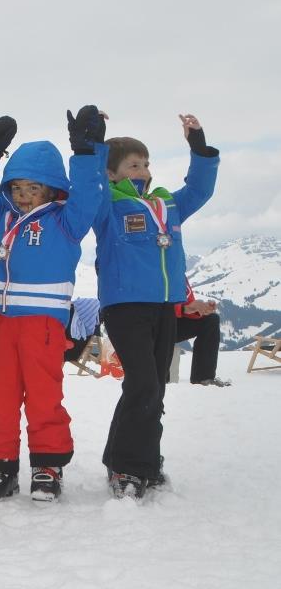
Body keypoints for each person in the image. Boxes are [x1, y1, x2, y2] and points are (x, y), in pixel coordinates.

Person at [0, 108, 108, 505]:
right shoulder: (1, 214)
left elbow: (91, 193)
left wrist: (84, 153)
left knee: (45, 396)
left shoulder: (67, 221)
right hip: (4, 324)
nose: (23, 196)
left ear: (51, 191)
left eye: (33, 189)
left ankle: (48, 466)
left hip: (45, 327)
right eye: (17, 188)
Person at [94, 114, 219, 499]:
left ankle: (136, 457)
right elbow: (88, 185)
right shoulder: (108, 206)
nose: (144, 171)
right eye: (134, 165)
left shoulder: (166, 204)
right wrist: (94, 144)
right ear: (112, 173)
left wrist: (198, 148)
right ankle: (129, 468)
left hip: (165, 307)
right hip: (125, 307)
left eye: (146, 164)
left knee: (152, 387)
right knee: (144, 383)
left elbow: (199, 189)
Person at [175, 281, 230, 387]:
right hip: (156, 323)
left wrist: (199, 311)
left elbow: (188, 305)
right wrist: (183, 309)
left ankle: (203, 377)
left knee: (210, 320)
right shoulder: (157, 269)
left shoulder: (179, 272)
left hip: (175, 321)